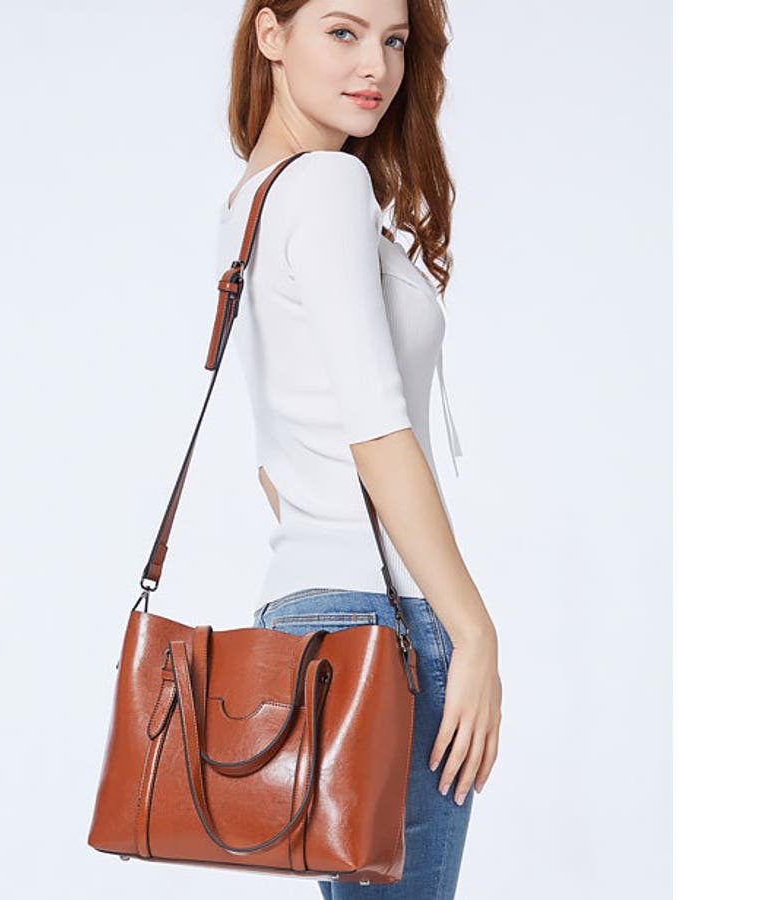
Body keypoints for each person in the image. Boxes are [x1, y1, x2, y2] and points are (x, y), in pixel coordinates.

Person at [217, 2, 502, 896]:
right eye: (343, 31)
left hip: (300, 610)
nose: (375, 64)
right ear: (271, 35)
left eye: (394, 40)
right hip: (388, 622)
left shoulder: (251, 202)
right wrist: (474, 631)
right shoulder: (329, 187)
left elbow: (274, 460)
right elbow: (376, 431)